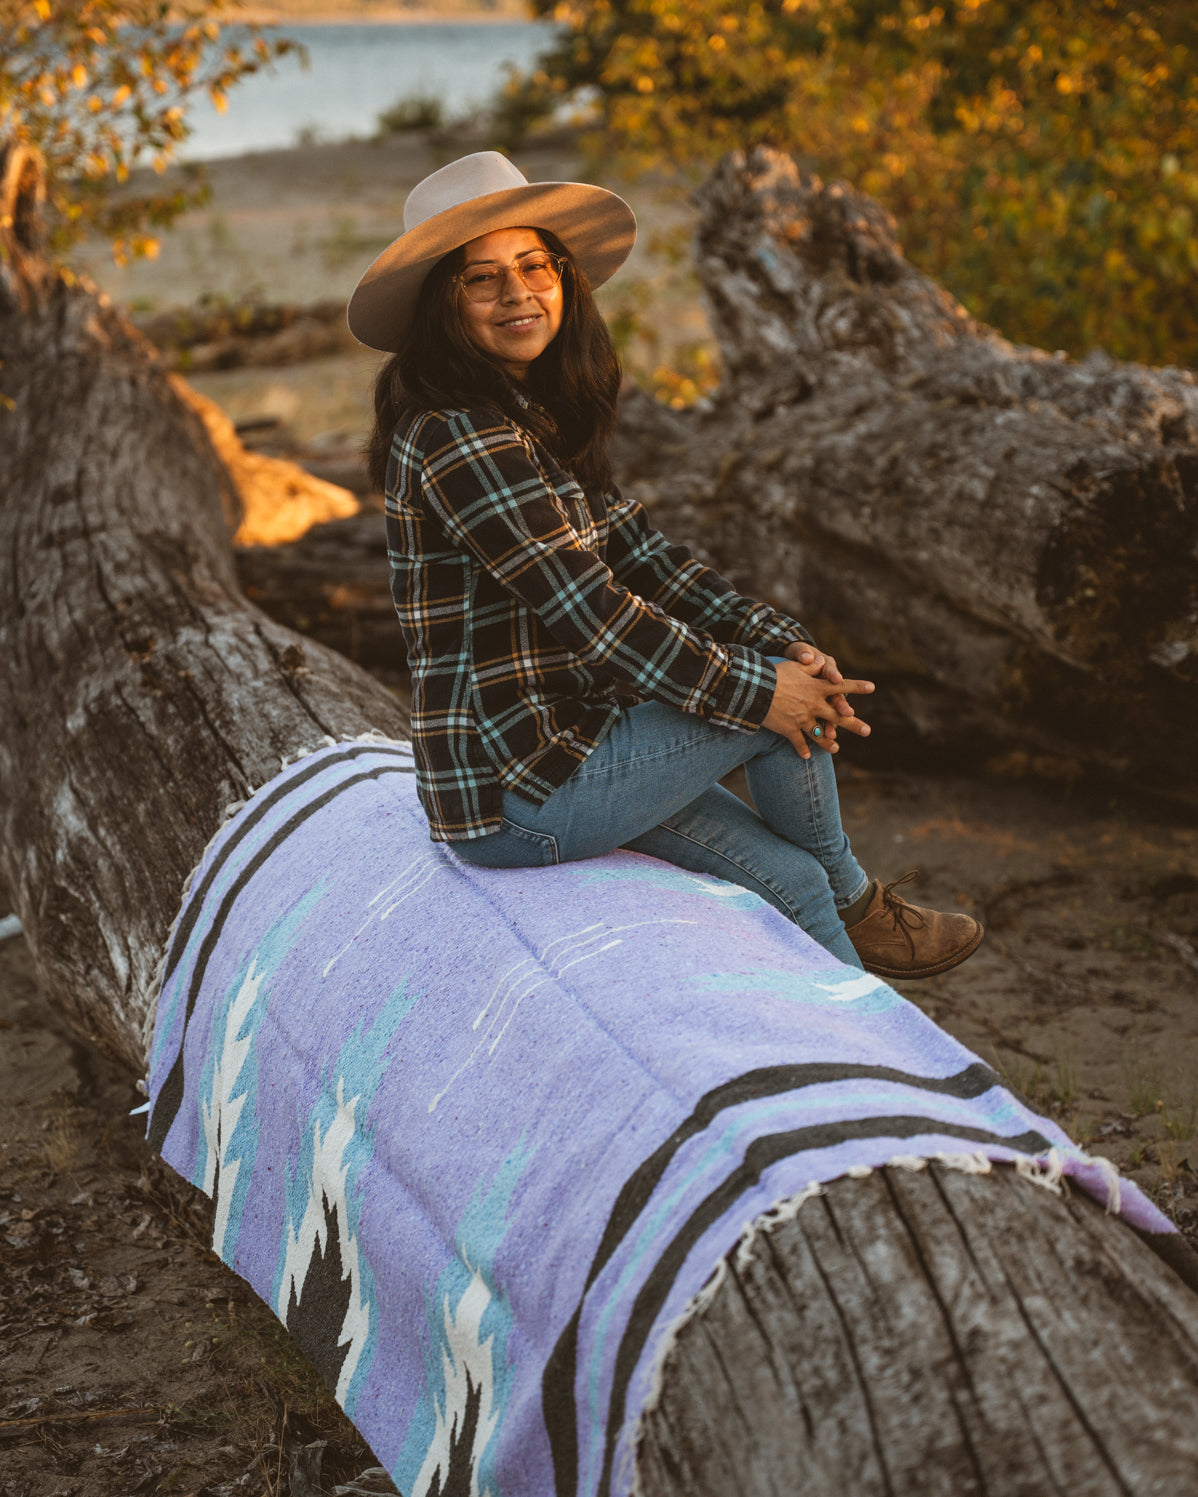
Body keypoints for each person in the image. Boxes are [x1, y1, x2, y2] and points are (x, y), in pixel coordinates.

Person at [348, 152, 982, 978]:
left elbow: (643, 555)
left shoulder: (527, 414)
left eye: (535, 266)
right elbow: (594, 612)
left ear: (565, 278)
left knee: (788, 875)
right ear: (445, 305)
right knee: (770, 710)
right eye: (483, 279)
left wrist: (783, 640)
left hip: (571, 749)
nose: (518, 294)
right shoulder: (458, 435)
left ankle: (865, 1048)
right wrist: (763, 687)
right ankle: (862, 909)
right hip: (515, 787)